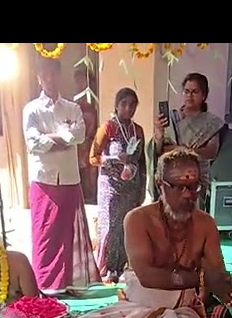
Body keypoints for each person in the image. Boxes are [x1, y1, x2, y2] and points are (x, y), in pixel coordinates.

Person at [70, 149, 232, 318]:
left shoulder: (205, 224)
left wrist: (222, 284)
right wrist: (202, 278)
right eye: (178, 187)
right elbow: (148, 277)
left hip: (180, 315)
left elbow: (216, 270)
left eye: (194, 187)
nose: (188, 195)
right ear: (160, 185)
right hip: (133, 312)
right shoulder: (137, 219)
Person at [23, 58, 99, 296]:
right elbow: (33, 142)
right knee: (45, 233)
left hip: (68, 178)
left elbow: (79, 135)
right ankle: (45, 284)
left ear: (59, 76)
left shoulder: (72, 108)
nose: (49, 79)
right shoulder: (31, 109)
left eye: (53, 74)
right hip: (44, 180)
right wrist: (62, 138)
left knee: (68, 232)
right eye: (45, 75)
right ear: (39, 78)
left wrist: (52, 138)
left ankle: (69, 282)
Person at [89, 87, 147, 282]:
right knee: (110, 228)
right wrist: (113, 159)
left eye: (132, 105)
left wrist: (142, 188)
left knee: (127, 226)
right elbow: (92, 157)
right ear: (116, 105)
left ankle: (122, 267)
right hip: (111, 187)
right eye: (124, 104)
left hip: (131, 187)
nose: (128, 108)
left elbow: (142, 162)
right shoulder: (108, 127)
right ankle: (106, 269)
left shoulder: (137, 130)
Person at [154, 73, 226, 209]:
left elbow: (211, 152)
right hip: (171, 178)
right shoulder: (171, 119)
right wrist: (159, 133)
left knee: (193, 214)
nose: (189, 96)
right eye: (186, 91)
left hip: (196, 178)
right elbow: (160, 150)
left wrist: (179, 150)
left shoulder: (211, 123)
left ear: (204, 95)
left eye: (195, 92)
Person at [74, 66, 100, 206]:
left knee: (90, 168)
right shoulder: (76, 102)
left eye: (82, 80)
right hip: (79, 141)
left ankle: (91, 195)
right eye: (77, 80)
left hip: (91, 139)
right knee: (80, 168)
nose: (79, 83)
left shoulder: (94, 100)